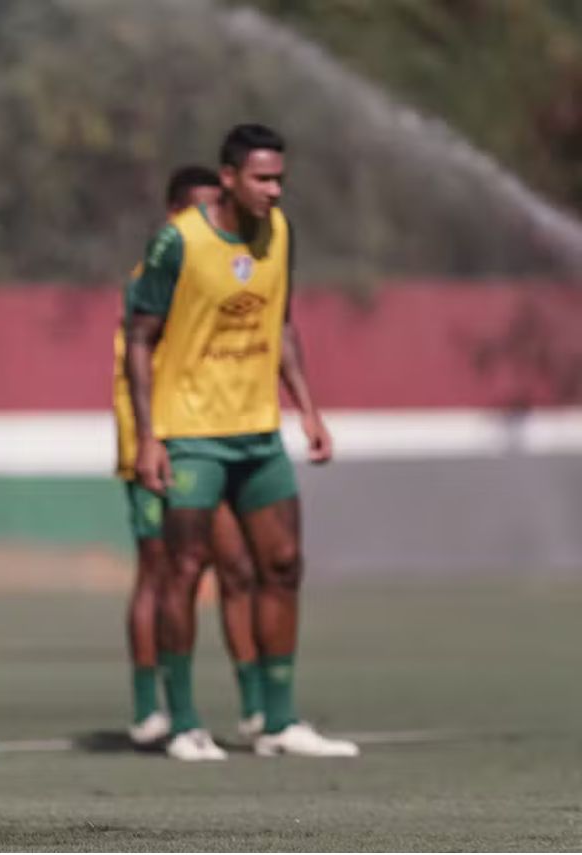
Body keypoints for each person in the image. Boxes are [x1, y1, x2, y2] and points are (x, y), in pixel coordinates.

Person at [124, 124, 358, 760]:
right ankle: (184, 724)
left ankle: (278, 721)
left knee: (282, 566)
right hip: (193, 435)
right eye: (262, 178)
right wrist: (149, 437)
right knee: (184, 571)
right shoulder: (181, 240)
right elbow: (140, 338)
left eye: (280, 178)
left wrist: (308, 410)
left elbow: (281, 326)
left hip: (259, 435)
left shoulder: (279, 234)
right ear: (228, 177)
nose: (274, 190)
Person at [114, 166, 266, 757]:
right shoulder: (152, 275)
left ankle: (258, 709)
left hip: (210, 441)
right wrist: (143, 447)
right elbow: (136, 371)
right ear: (174, 212)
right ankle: (150, 709)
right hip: (157, 449)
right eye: (197, 209)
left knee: (238, 569)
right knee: (161, 570)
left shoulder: (218, 272)